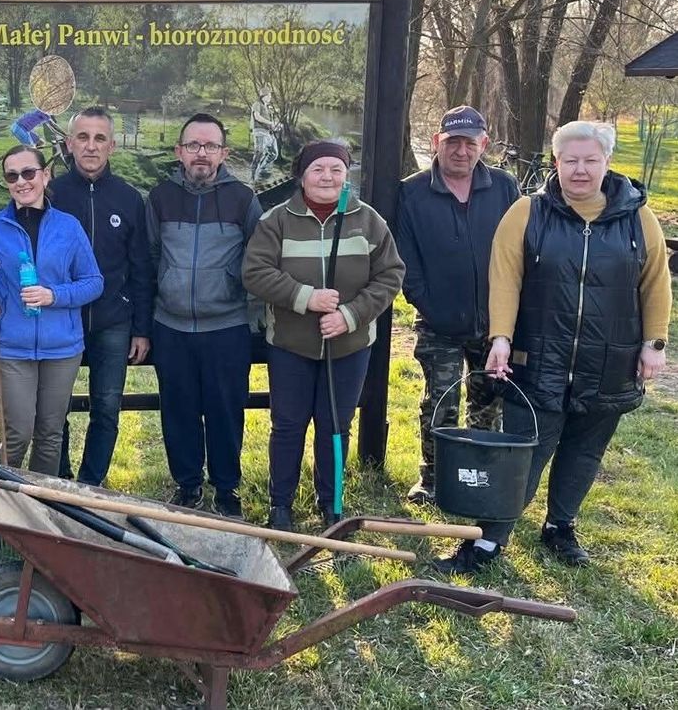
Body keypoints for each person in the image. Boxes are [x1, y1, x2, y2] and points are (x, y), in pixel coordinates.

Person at [434, 121, 671, 575]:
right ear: (556, 163)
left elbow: (655, 283)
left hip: (610, 360)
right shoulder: (528, 212)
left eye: (591, 160)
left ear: (606, 162)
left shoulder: (638, 218)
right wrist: (500, 338)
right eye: (571, 161)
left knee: (584, 451)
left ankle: (560, 526)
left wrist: (654, 343)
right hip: (539, 359)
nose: (580, 170)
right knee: (524, 452)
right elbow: (505, 280)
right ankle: (489, 539)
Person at [244, 142, 404, 530]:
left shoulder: (368, 220)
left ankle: (331, 504)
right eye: (318, 169)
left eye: (336, 169)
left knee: (335, 426)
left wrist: (350, 315)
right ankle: (280, 505)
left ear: (346, 175)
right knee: (288, 425)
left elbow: (390, 275)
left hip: (349, 345)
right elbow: (255, 272)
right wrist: (305, 298)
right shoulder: (276, 220)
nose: (327, 177)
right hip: (290, 345)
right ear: (302, 176)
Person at [396, 106, 518, 504]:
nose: (461, 151)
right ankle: (432, 478)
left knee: (488, 402)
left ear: (484, 144)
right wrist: (428, 304)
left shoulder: (503, 187)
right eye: (452, 142)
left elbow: (521, 248)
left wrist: (507, 318)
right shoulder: (412, 192)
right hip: (438, 322)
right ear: (437, 142)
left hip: (494, 322)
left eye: (469, 143)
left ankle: (478, 475)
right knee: (440, 402)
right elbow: (405, 261)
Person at [146, 114, 262, 518]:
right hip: (171, 326)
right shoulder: (160, 197)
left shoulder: (243, 199)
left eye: (210, 146)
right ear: (179, 151)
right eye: (193, 145)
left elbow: (258, 259)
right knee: (178, 411)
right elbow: (151, 255)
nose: (201, 153)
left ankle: (227, 490)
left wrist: (251, 312)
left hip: (227, 326)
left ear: (223, 153)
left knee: (225, 412)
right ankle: (187, 486)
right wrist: (166, 292)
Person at [0, 145, 103, 475]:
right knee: (17, 434)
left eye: (28, 173)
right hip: (12, 346)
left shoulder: (68, 227)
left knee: (50, 435)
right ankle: (1, 498)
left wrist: (53, 295)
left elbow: (94, 282)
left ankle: (40, 501)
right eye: (12, 176)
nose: (21, 182)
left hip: (62, 348)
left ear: (45, 175)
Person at [50, 107, 154, 486]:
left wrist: (141, 328)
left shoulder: (129, 198)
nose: (91, 146)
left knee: (107, 407)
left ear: (112, 145)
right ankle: (59, 482)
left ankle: (90, 485)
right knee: (54, 409)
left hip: (113, 321)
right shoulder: (51, 194)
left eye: (99, 138)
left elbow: (141, 267)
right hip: (62, 319)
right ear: (69, 144)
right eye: (83, 137)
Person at [250, 86, 281, 181]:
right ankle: (253, 176)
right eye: (268, 95)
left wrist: (276, 126)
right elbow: (257, 117)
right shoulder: (257, 104)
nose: (270, 97)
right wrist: (270, 123)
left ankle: (261, 170)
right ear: (263, 96)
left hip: (269, 133)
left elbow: (270, 123)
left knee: (274, 153)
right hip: (260, 132)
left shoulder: (268, 108)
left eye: (270, 95)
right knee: (259, 153)